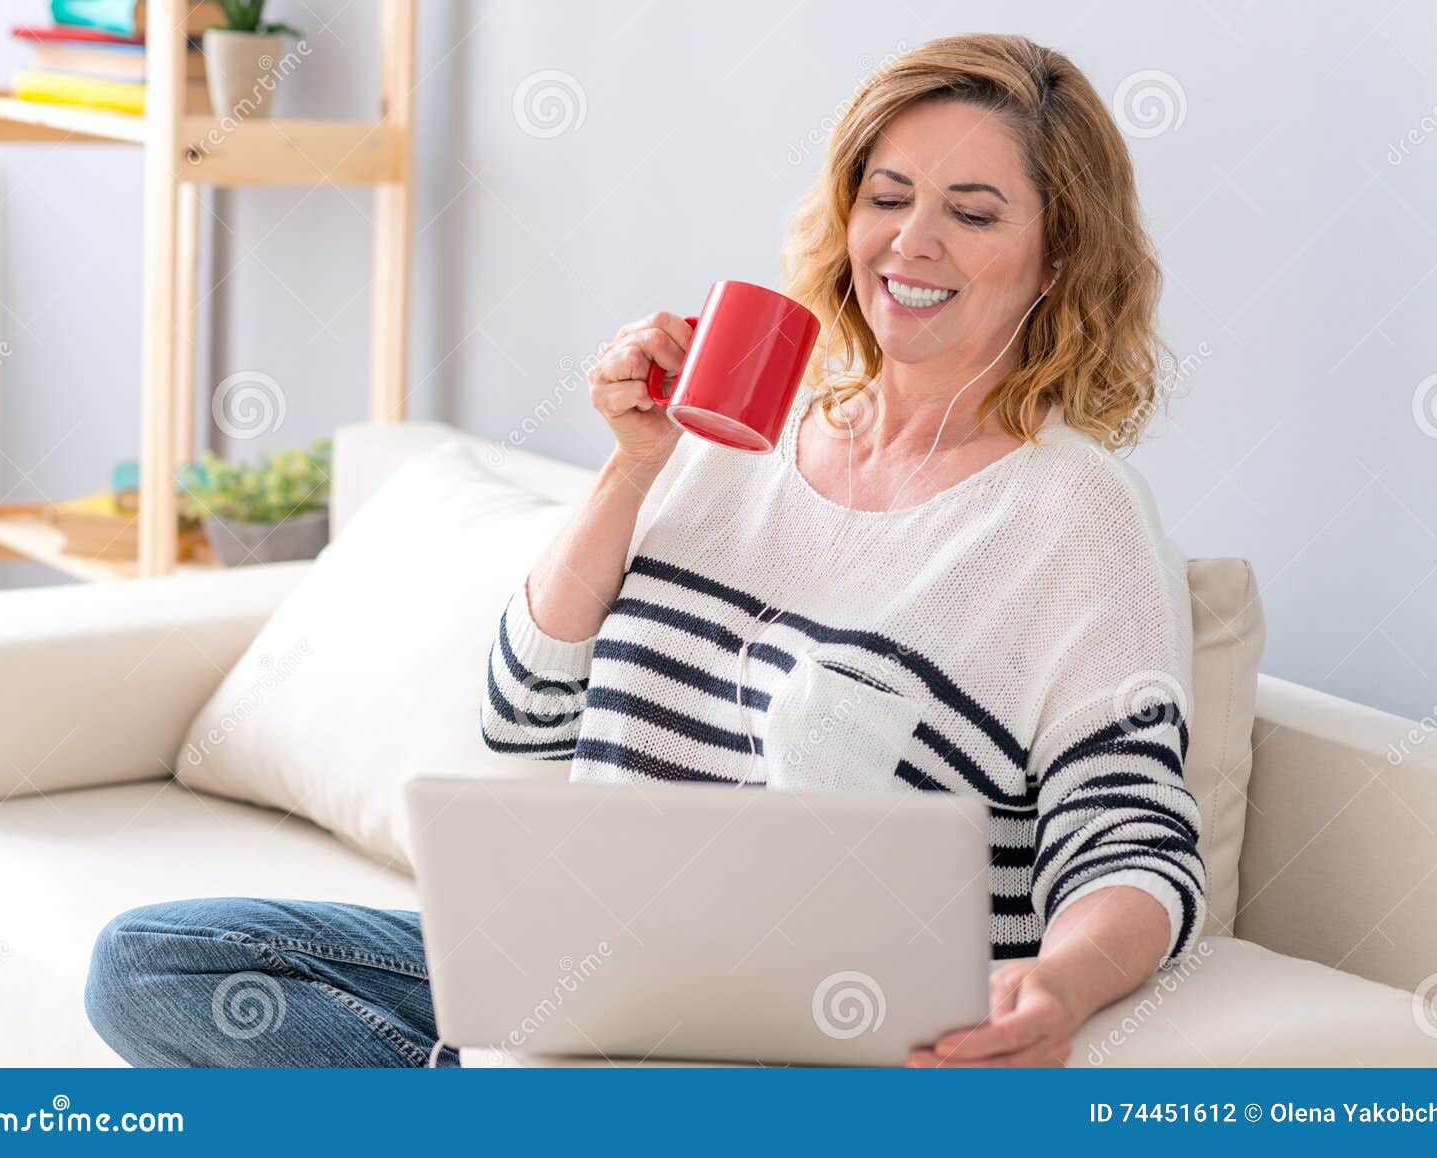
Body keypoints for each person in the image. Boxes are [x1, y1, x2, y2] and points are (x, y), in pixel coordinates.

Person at [85, 32, 1203, 1070]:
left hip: (809, 1038)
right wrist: (632, 462)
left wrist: (1056, 986)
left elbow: (1132, 848)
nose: (912, 243)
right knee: (151, 964)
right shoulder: (742, 430)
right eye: (888, 196)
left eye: (973, 212)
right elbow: (522, 713)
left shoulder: (1073, 518)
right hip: (585, 971)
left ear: (1058, 255)